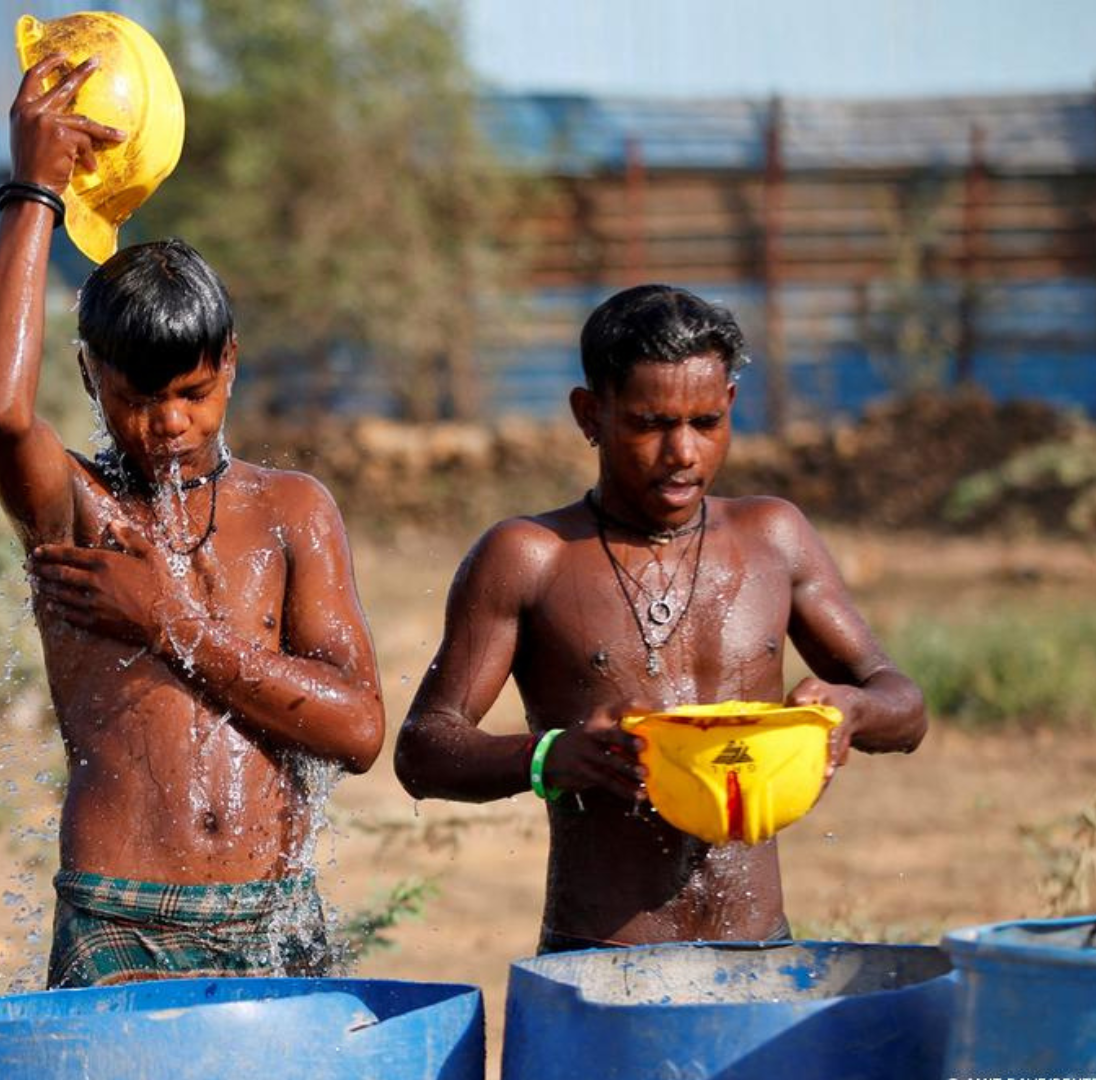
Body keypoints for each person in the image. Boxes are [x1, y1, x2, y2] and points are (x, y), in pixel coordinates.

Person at [0, 58, 385, 988]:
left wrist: (172, 622)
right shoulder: (78, 511)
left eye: (193, 394)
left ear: (230, 363)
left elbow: (358, 731)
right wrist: (32, 190)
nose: (168, 425)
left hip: (272, 909)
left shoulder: (290, 511)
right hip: (121, 914)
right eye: (136, 398)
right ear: (88, 380)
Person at [394, 283, 926, 953]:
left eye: (706, 423)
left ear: (731, 405)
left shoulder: (774, 537)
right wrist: (551, 756)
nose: (682, 453)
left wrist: (852, 710)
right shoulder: (530, 557)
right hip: (601, 957)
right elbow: (423, 749)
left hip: (760, 950)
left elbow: (903, 704)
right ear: (591, 415)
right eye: (650, 424)